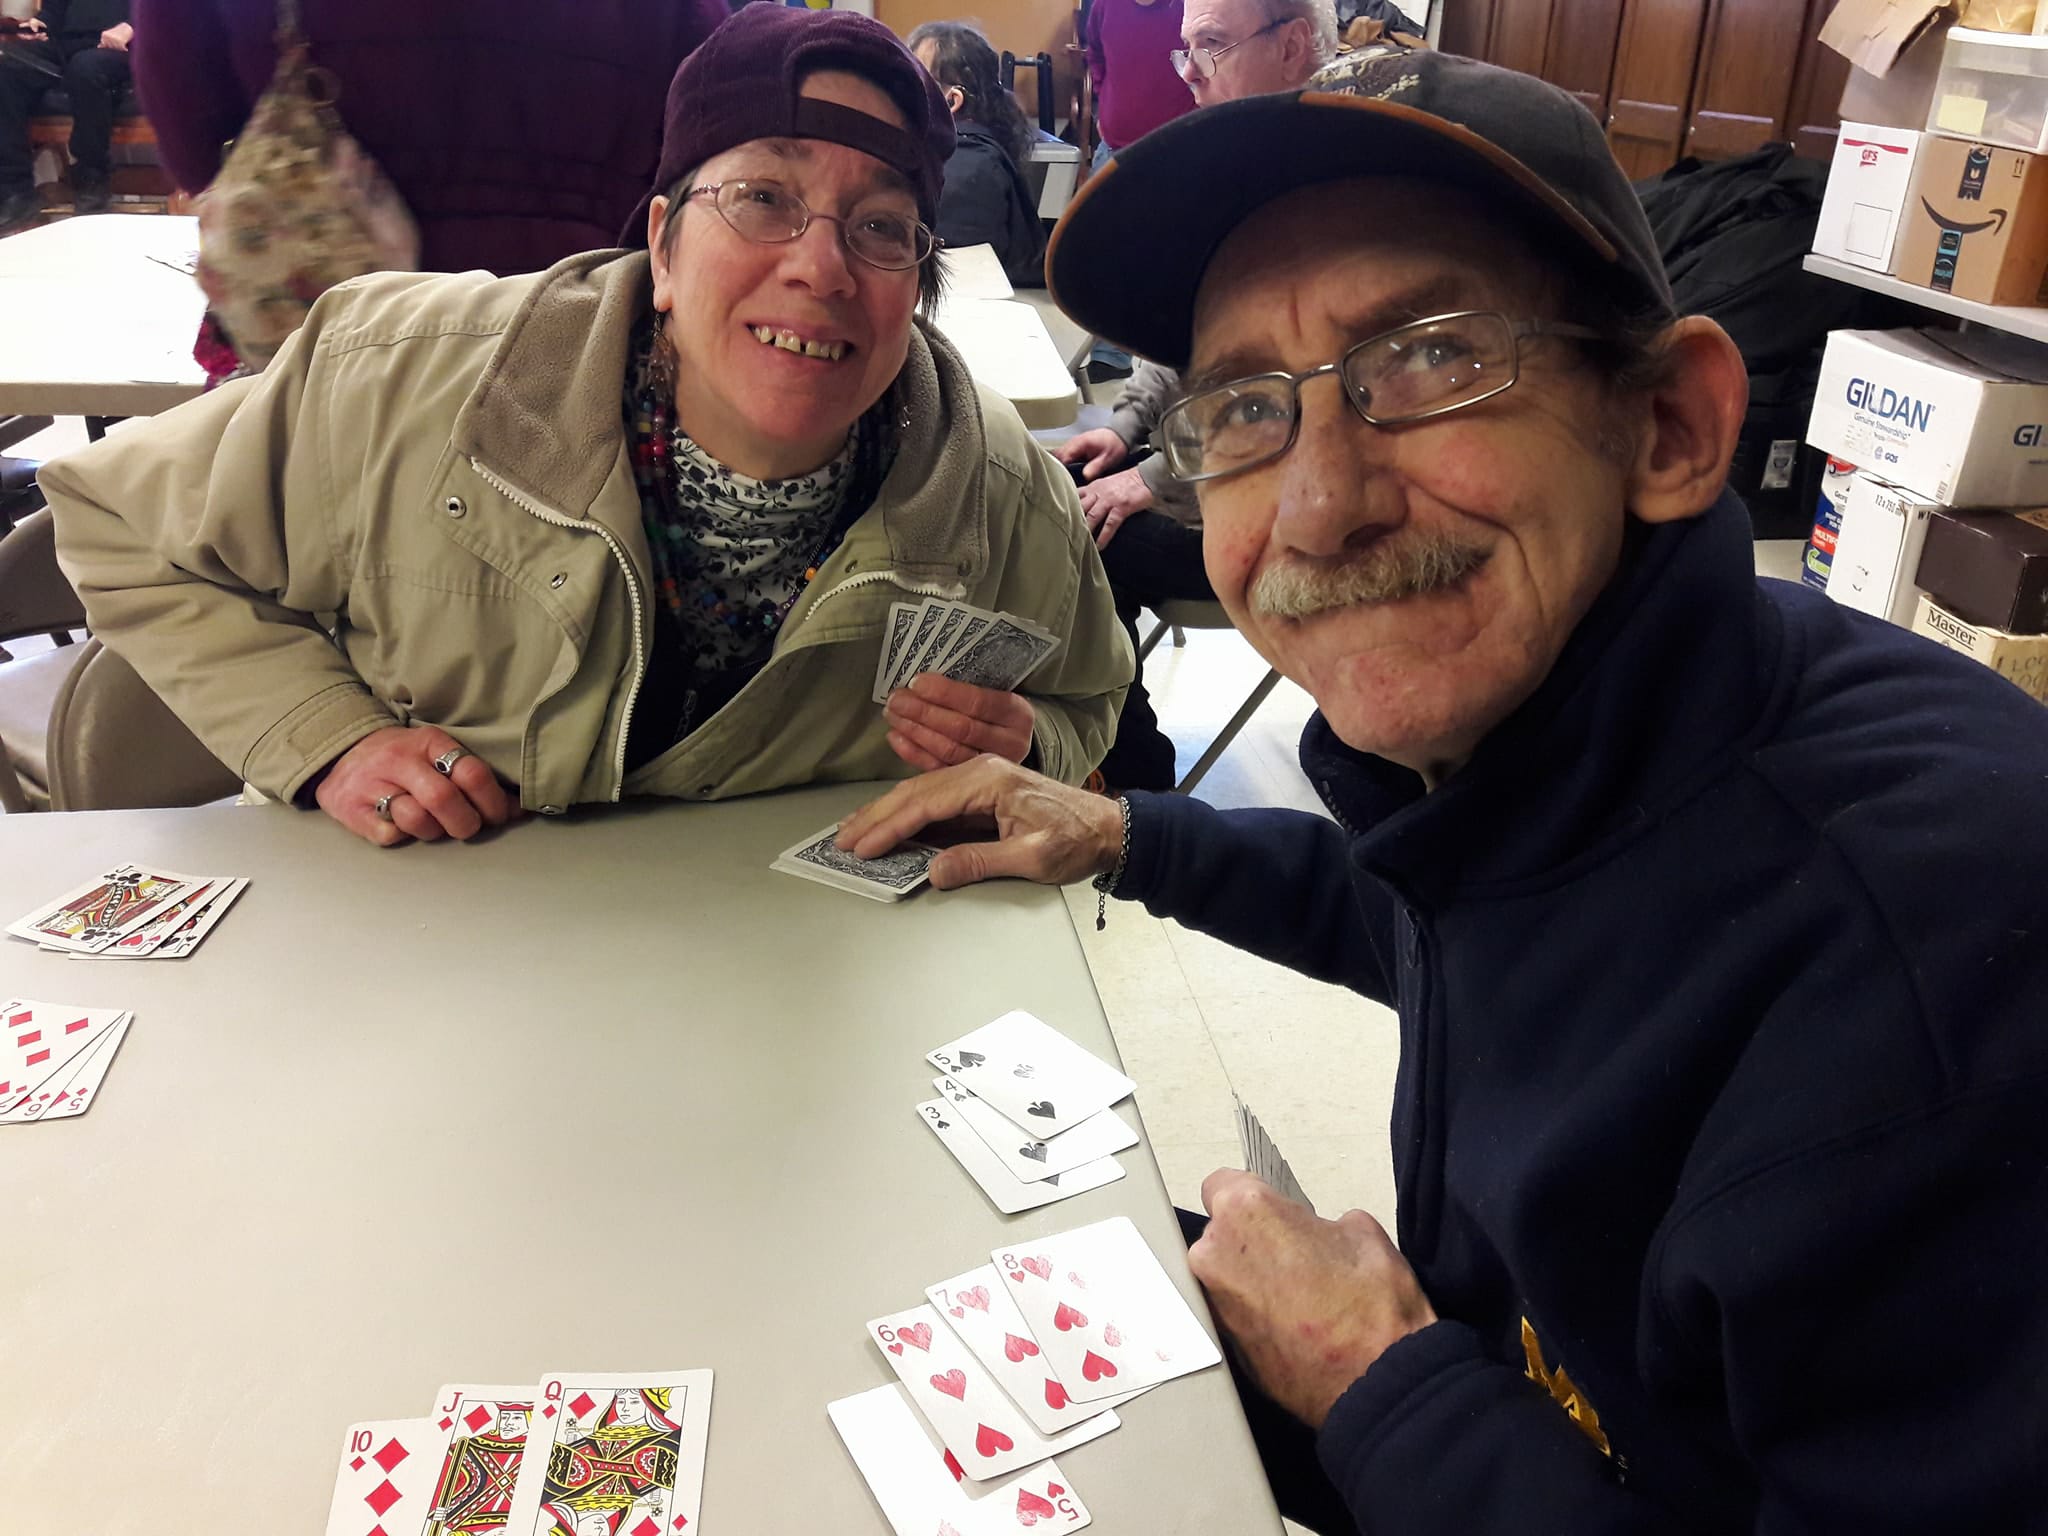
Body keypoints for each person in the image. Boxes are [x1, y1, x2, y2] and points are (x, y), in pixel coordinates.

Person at [839, 50, 2048, 1534]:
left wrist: (1378, 1381)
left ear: (1669, 426)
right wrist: (1133, 833)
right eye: (1241, 408)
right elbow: (1474, 923)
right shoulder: (1594, 742)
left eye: (1426, 358)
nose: (1319, 502)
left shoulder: (1936, 1005)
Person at [41, 5, 1129, 849]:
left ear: (918, 286)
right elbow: (114, 520)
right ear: (659, 245)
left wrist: (1030, 742)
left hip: (780, 1005)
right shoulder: (386, 376)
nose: (819, 265)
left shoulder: (986, 483)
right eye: (760, 198)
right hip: (431, 969)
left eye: (882, 228)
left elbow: (1088, 688)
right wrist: (329, 736)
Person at [1057, 0, 1334, 789]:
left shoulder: (1328, 187)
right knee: (1053, 485)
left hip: (1283, 495)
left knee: (1075, 539)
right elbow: (1174, 345)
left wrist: (1147, 478)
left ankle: (1132, 785)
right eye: (1186, 52)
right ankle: (1107, 752)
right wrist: (1124, 431)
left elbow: (1284, 395)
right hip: (1209, 462)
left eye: (1211, 47)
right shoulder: (1232, 168)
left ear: (1290, 46)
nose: (1191, 78)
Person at [129, 0, 725, 276]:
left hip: (322, 322)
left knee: (309, 520)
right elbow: (712, 109)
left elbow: (189, 134)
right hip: (579, 310)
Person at [907, 21, 1043, 288]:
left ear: (952, 101)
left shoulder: (963, 168)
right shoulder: (975, 154)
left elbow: (952, 286)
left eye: (913, 80)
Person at [0, 0, 131, 231]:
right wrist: (41, 24)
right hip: (65, 45)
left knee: (86, 69)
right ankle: (15, 192)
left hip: (123, 47)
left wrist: (131, 27)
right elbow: (55, 7)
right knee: (6, 66)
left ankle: (92, 177)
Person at [1083, 0, 1191, 170]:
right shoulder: (1104, 5)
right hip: (1113, 150)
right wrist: (1104, 103)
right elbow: (1095, 53)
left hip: (1178, 153)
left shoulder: (1190, 6)